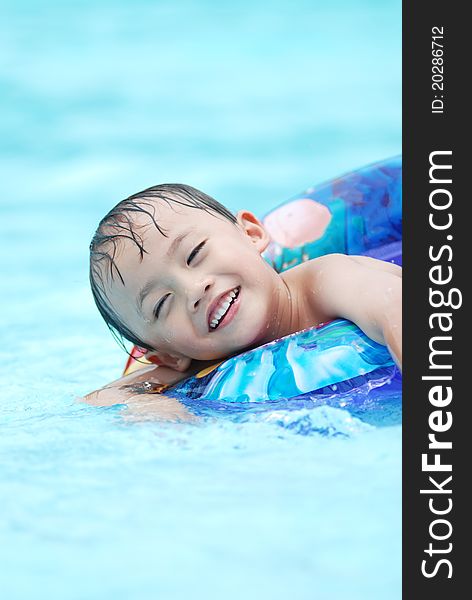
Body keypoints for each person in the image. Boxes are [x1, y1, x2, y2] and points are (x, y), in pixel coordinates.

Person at [84, 183, 401, 419]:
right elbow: (103, 397)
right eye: (162, 304)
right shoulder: (196, 367)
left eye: (195, 254)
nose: (195, 290)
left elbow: (392, 306)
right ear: (167, 356)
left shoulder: (327, 280)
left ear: (251, 233)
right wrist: (151, 405)